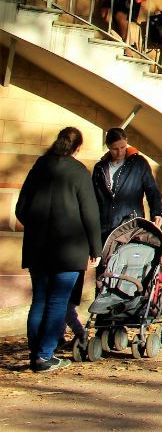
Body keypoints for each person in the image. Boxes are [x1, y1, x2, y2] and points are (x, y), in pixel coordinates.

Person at [15, 126, 101, 372]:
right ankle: (45, 355)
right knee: (57, 303)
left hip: (37, 248)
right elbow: (90, 214)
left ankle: (36, 353)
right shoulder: (79, 172)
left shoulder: (39, 166)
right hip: (69, 250)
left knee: (39, 300)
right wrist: (95, 247)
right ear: (77, 148)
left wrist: (37, 228)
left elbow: (21, 209)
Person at [91, 127, 162, 241]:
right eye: (115, 149)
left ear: (127, 142)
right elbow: (93, 198)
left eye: (123, 147)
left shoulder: (139, 163)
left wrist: (157, 212)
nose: (120, 152)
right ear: (108, 147)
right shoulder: (100, 168)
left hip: (130, 227)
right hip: (105, 228)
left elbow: (152, 190)